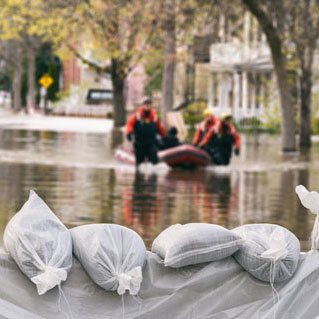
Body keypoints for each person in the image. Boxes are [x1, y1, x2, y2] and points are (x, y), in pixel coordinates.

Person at [126, 97, 166, 167]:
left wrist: (164, 136)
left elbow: (159, 127)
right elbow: (130, 124)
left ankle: (153, 175)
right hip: (140, 142)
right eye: (146, 104)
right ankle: (139, 175)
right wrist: (129, 133)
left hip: (151, 142)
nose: (147, 105)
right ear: (143, 105)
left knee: (154, 159)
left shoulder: (154, 116)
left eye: (149, 104)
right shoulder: (137, 115)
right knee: (139, 163)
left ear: (151, 105)